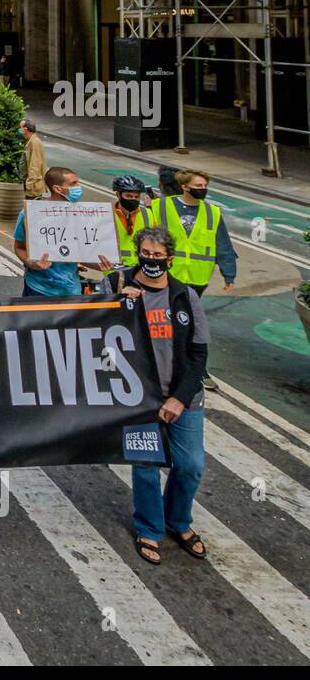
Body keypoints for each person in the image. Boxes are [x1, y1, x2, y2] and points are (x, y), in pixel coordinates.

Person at [99, 228, 210, 567]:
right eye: (145, 252)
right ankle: (149, 528)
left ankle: (179, 521)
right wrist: (120, 304)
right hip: (138, 399)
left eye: (158, 255)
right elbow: (93, 328)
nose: (151, 260)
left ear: (169, 259)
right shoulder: (118, 284)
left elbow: (198, 354)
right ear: (137, 252)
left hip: (182, 398)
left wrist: (179, 398)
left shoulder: (185, 297)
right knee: (146, 467)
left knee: (190, 465)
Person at [13, 167, 114, 296]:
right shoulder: (31, 214)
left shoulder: (83, 215)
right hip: (38, 289)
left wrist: (98, 264)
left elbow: (76, 254)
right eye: (73, 184)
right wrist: (32, 264)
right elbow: (19, 247)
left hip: (71, 290)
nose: (79, 187)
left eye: (78, 183)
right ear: (58, 189)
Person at [151, 169, 237, 297]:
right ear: (185, 187)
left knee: (188, 313)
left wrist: (229, 275)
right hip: (167, 273)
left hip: (197, 278)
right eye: (198, 186)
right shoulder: (160, 206)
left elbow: (223, 244)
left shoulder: (212, 213)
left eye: (205, 186)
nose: (203, 189)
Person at [109, 175, 156, 271]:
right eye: (129, 196)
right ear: (118, 194)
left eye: (136, 197)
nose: (133, 199)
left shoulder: (147, 214)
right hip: (113, 271)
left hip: (140, 271)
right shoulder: (107, 213)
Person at [20, 119, 47, 199]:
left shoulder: (35, 142)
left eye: (20, 128)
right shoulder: (31, 141)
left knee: (30, 208)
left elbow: (35, 166)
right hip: (31, 184)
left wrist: (30, 183)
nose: (19, 130)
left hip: (33, 186)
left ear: (25, 129)